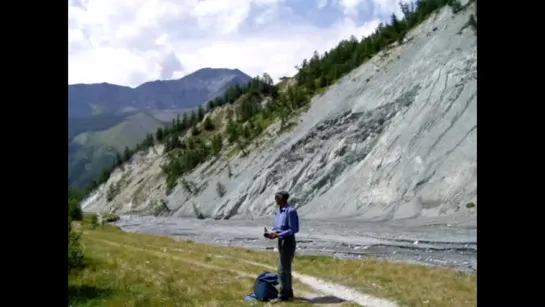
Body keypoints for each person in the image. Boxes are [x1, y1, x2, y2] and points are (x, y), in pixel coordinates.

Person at [266, 191, 299, 302]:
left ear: (283, 199)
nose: (275, 200)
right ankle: (288, 292)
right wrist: (272, 233)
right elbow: (277, 226)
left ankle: (283, 295)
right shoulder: (278, 211)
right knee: (286, 268)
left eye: (277, 198)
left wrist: (279, 234)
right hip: (280, 240)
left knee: (282, 269)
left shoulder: (290, 211)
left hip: (288, 241)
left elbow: (294, 229)